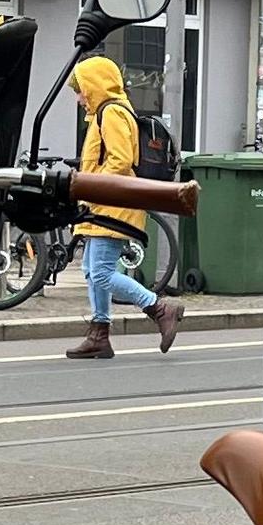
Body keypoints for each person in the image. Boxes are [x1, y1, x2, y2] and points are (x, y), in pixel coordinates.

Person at [61, 51, 182, 360]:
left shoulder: (112, 112)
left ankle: (159, 308)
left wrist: (88, 184)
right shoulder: (105, 113)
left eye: (80, 89)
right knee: (91, 270)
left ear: (96, 85)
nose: (78, 98)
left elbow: (119, 160)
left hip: (112, 207)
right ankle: (99, 334)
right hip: (103, 205)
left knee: (100, 273)